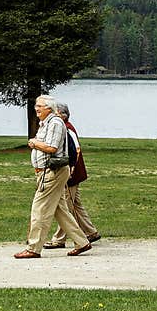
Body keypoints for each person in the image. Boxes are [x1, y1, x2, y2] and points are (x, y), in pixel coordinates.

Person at [14, 95, 92, 258]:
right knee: (60, 210)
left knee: (39, 208)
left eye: (40, 106)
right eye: (36, 105)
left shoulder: (55, 123)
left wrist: (34, 143)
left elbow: (51, 147)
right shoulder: (46, 124)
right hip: (46, 172)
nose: (36, 108)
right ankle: (82, 242)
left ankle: (33, 248)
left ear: (49, 108)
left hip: (52, 172)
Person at [43, 102, 101, 248]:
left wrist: (71, 169)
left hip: (71, 174)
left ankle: (59, 239)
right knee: (76, 205)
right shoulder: (63, 128)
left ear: (63, 115)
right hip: (72, 172)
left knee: (65, 206)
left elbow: (76, 150)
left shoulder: (67, 129)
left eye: (55, 113)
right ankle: (91, 232)